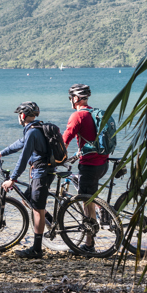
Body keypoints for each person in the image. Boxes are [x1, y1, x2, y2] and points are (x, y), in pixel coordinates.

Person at [0, 101, 54, 259]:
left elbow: (24, 156)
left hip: (41, 173)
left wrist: (12, 179)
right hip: (44, 171)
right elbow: (20, 144)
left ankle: (37, 249)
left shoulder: (32, 132)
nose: (18, 118)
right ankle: (53, 223)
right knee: (28, 200)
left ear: (23, 116)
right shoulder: (35, 128)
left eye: (19, 115)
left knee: (37, 209)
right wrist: (2, 153)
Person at [62, 84, 109, 253]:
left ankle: (89, 245)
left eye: (70, 98)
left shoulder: (77, 116)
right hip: (103, 163)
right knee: (89, 196)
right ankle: (101, 208)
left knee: (86, 202)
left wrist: (55, 157)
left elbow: (64, 140)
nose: (70, 101)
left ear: (75, 99)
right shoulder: (95, 113)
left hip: (89, 165)